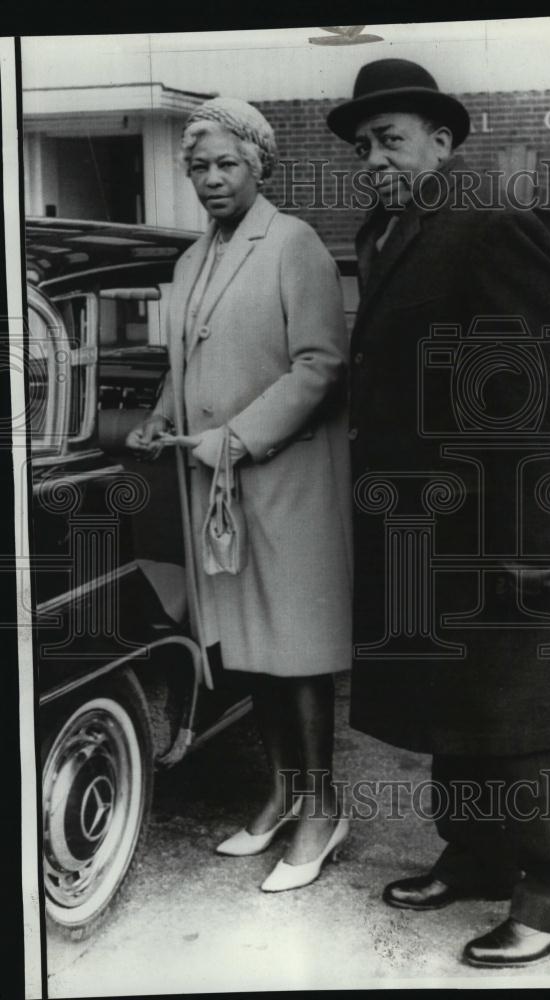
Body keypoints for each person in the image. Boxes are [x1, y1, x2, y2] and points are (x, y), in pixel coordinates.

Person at [327, 59, 550, 966]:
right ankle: (478, 855)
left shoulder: (489, 223)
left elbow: (538, 386)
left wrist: (529, 544)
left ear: (443, 142)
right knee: (456, 704)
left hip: (500, 516)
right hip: (425, 524)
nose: (374, 158)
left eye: (392, 140)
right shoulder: (385, 230)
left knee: (524, 714)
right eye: (364, 145)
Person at [127, 97, 351, 892]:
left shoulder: (293, 245)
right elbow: (182, 363)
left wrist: (235, 437)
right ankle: (283, 793)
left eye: (227, 164)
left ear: (259, 165)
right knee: (249, 651)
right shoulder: (192, 260)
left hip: (283, 483)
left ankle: (322, 810)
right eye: (199, 166)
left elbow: (320, 367)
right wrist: (161, 416)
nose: (212, 179)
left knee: (295, 653)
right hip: (213, 486)